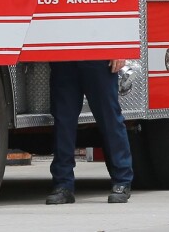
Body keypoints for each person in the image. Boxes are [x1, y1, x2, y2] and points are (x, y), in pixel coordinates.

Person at [45, 59, 133, 205]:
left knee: (109, 118)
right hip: (64, 57)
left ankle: (122, 181)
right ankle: (63, 185)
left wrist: (118, 50)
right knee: (63, 122)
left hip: (98, 57)